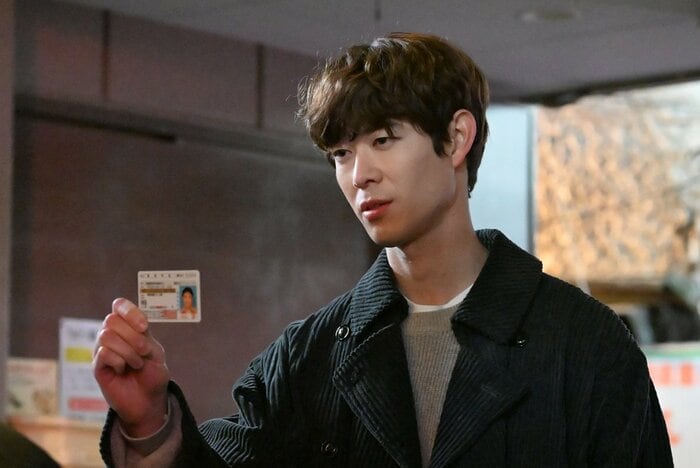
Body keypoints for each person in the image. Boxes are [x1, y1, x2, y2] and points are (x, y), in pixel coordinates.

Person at [93, 32, 673, 467]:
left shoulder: (583, 344)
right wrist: (150, 423)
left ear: (457, 138)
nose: (359, 175)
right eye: (341, 154)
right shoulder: (309, 356)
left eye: (383, 139)